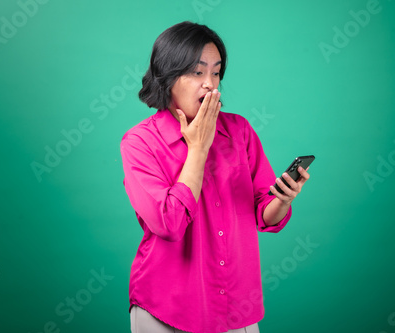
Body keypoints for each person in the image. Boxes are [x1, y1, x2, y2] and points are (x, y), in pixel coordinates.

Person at [120, 21, 310, 333]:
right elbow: (168, 224)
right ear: (167, 76)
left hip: (235, 305)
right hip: (165, 308)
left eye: (216, 72)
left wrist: (283, 200)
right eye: (197, 72)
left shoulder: (240, 131)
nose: (210, 84)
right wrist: (198, 148)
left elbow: (264, 212)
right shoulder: (139, 143)